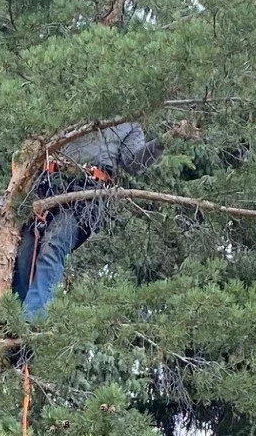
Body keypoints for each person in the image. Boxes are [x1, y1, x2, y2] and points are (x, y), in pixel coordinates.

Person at [13, 122, 157, 318]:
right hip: (49, 186)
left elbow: (134, 163)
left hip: (87, 195)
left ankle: (33, 318)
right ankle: (14, 320)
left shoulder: (128, 124)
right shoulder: (72, 109)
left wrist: (164, 142)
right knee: (25, 252)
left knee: (53, 244)